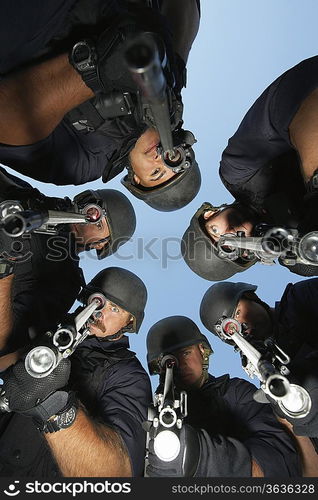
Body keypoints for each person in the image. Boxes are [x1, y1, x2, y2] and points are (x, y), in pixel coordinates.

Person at [0, 0, 201, 211]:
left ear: (136, 180)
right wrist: (172, 58)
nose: (161, 158)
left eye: (156, 173)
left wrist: (95, 73)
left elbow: (6, 120)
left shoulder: (86, 163)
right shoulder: (169, 85)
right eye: (173, 159)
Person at [0, 267, 152, 477]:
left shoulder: (127, 374)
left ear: (129, 322)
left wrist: (52, 405)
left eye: (115, 309)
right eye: (99, 302)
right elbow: (4, 361)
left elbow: (119, 473)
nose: (100, 313)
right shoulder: (52, 330)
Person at [182, 55, 318, 280]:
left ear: (210, 214)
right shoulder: (298, 254)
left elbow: (291, 99)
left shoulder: (239, 172)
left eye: (215, 231)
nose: (228, 234)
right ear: (247, 255)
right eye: (227, 247)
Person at [0, 166, 136, 354]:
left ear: (100, 245)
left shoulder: (65, 283)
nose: (87, 216)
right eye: (91, 208)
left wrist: (5, 267)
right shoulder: (34, 201)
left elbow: (6, 343)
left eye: (97, 222)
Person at [145, 315, 301, 477]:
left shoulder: (235, 394)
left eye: (185, 353)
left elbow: (280, 459)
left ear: (201, 350)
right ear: (160, 369)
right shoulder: (153, 414)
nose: (181, 365)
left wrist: (201, 457)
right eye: (170, 362)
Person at [199, 279, 318, 475]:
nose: (243, 326)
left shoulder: (300, 299)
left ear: (251, 297)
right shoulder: (273, 385)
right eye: (233, 329)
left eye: (237, 313)